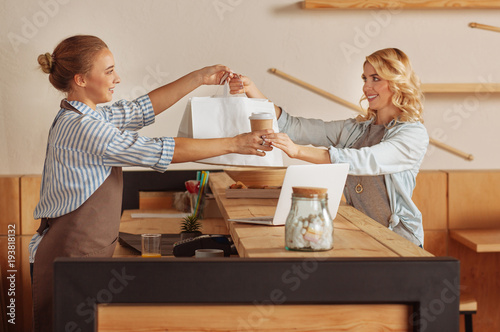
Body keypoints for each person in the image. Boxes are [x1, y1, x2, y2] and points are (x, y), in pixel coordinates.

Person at [30, 34, 272, 331]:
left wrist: (199, 77)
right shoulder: (82, 128)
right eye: (108, 71)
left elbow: (142, 109)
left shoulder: (93, 115)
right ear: (81, 79)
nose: (117, 78)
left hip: (84, 255)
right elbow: (159, 150)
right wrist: (235, 142)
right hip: (68, 258)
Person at [230, 48, 428, 248]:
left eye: (375, 78)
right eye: (365, 78)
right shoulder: (354, 130)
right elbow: (294, 127)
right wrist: (251, 90)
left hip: (400, 241)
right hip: (365, 233)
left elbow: (364, 160)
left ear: (396, 82)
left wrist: (297, 151)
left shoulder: (413, 134)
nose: (366, 87)